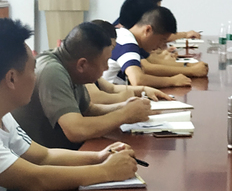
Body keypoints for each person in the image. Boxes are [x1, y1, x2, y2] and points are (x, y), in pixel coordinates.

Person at [0, 19, 139, 191]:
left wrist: (99, 157)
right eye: (33, 69)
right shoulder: (51, 70)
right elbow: (36, 179)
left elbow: (44, 156)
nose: (36, 76)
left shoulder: (5, 117)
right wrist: (106, 171)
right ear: (12, 78)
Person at [12, 22, 152, 150]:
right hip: (42, 160)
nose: (106, 68)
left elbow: (88, 110)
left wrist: (124, 107)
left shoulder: (70, 66)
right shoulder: (52, 71)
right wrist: (124, 115)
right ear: (82, 64)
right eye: (105, 61)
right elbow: (76, 130)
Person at [103, 6, 208, 88]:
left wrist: (188, 66)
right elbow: (138, 80)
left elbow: (153, 62)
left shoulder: (129, 38)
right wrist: (172, 81)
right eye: (161, 40)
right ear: (148, 30)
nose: (160, 45)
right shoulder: (127, 43)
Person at [87, 20, 171, 104]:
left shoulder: (93, 74)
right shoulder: (83, 74)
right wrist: (123, 97)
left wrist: (144, 90)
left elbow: (112, 88)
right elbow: (97, 98)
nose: (107, 67)